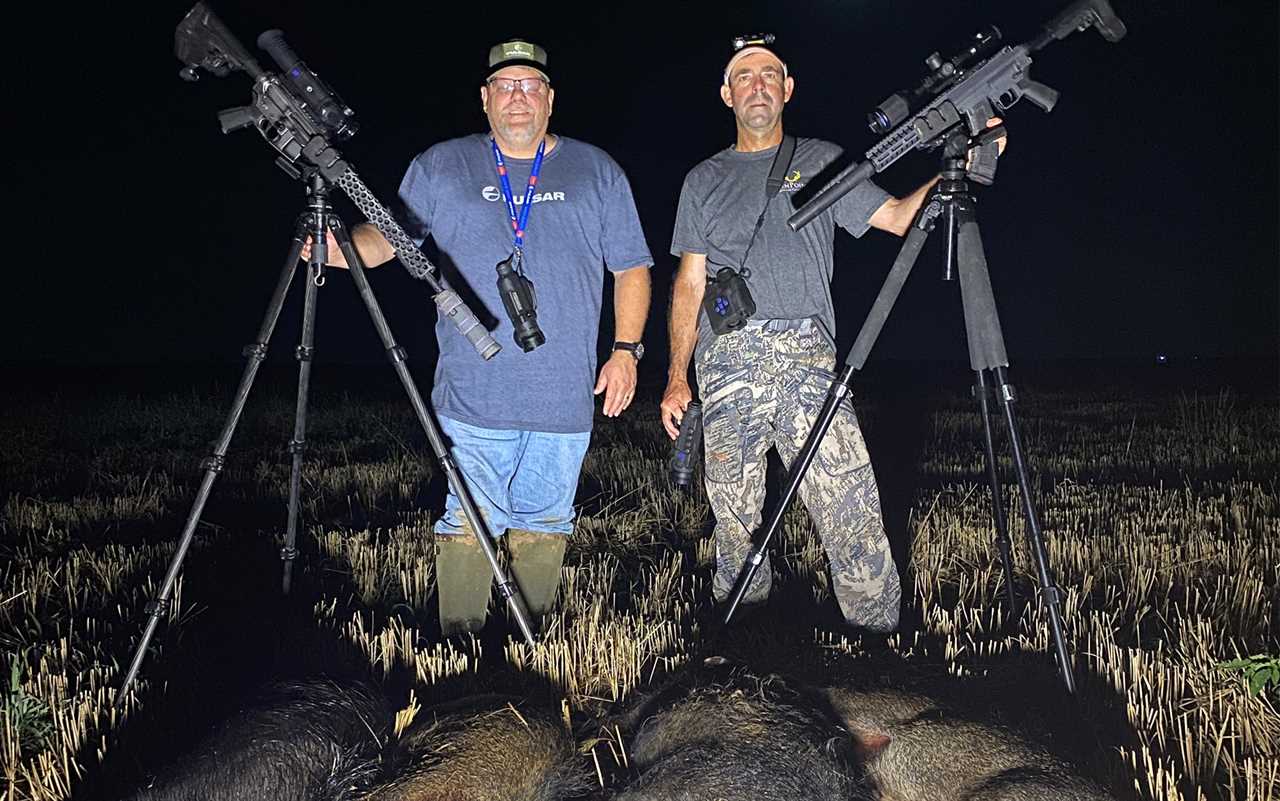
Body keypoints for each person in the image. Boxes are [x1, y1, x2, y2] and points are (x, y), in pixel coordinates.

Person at [309, 39, 653, 636]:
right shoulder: (442, 164)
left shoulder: (597, 170)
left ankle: (528, 639)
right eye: (505, 86)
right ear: (485, 99)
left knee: (546, 521)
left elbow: (632, 268)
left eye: (530, 85)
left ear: (549, 100)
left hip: (563, 394)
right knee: (467, 519)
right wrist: (334, 250)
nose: (517, 96)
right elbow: (391, 238)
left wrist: (625, 351)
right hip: (473, 390)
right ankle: (461, 644)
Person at [660, 38, 977, 633]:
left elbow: (897, 217)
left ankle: (878, 638)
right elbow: (689, 282)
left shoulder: (824, 159)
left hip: (809, 358)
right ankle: (746, 636)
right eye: (744, 76)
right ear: (727, 94)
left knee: (850, 506)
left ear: (787, 88)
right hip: (726, 360)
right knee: (733, 516)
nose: (757, 84)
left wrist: (958, 164)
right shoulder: (703, 179)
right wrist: (678, 376)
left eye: (769, 74)